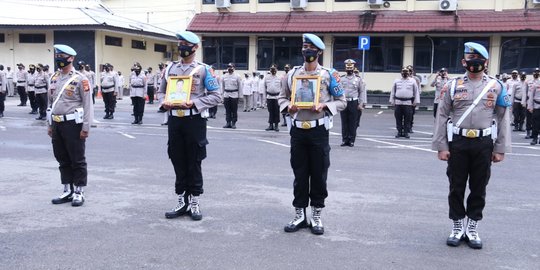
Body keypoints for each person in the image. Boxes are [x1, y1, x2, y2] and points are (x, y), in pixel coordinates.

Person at [432, 42, 511, 249]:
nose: (474, 63)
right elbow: (441, 116)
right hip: (457, 143)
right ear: (463, 62)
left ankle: (472, 226)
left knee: (479, 187)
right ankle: (457, 226)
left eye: (479, 60)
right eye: (470, 59)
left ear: (486, 62)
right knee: (456, 186)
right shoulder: (452, 85)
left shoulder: (496, 86)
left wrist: (500, 148)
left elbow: (503, 118)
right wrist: (442, 146)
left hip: (484, 143)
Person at [278, 33, 346, 235]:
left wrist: (325, 105)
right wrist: (288, 107)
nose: (306, 50)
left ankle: (316, 215)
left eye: (310, 48)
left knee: (318, 174)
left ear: (318, 52)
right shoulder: (292, 75)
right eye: (304, 46)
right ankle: (299, 214)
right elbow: (281, 98)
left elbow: (342, 101)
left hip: (318, 130)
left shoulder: (328, 75)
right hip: (298, 130)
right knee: (299, 174)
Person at [159, 31, 221, 221]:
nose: (181, 47)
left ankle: (194, 200)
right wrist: (164, 103)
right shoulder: (170, 69)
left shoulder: (203, 70)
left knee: (194, 160)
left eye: (186, 44)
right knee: (177, 158)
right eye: (180, 43)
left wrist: (194, 103)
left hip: (194, 120)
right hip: (175, 120)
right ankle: (181, 199)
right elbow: (161, 93)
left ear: (195, 48)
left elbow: (216, 96)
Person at [48, 44, 94, 207]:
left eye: (62, 56)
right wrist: (49, 124)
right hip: (57, 123)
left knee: (77, 159)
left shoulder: (81, 79)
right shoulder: (54, 77)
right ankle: (67, 189)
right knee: (61, 158)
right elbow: (51, 102)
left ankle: (79, 191)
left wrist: (86, 127)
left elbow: (88, 104)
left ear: (71, 58)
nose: (59, 58)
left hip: (73, 124)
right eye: (57, 55)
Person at [339, 59, 366, 147]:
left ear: (353, 68)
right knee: (344, 122)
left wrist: (361, 103)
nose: (349, 69)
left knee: (352, 122)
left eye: (351, 68)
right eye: (348, 67)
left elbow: (361, 91)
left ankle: (351, 140)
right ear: (345, 69)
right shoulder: (341, 78)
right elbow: (338, 91)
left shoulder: (358, 79)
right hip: (344, 102)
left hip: (354, 102)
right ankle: (344, 140)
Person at [390, 67, 420, 139]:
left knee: (408, 118)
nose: (405, 73)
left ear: (409, 73)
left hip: (408, 103)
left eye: (406, 72)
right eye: (403, 72)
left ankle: (406, 132)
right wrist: (392, 100)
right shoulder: (397, 81)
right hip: (398, 102)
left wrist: (416, 101)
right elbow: (393, 91)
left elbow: (416, 92)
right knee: (398, 118)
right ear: (401, 73)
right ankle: (399, 132)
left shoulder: (412, 81)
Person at [221, 63, 242, 129]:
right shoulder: (224, 76)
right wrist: (222, 96)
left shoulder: (237, 76)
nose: (230, 68)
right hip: (226, 94)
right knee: (227, 110)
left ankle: (233, 123)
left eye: (231, 67)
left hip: (234, 95)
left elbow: (240, 87)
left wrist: (240, 96)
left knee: (234, 110)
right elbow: (222, 87)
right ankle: (228, 123)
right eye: (229, 67)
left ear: (234, 68)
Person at [263, 64, 281, 131]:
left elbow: (282, 89)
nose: (273, 70)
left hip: (277, 97)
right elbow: (264, 88)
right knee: (270, 111)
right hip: (269, 97)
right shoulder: (267, 77)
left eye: (274, 69)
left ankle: (276, 125)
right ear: (270, 69)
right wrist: (265, 98)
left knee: (276, 111)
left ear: (277, 70)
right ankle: (270, 125)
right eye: (272, 69)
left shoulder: (279, 78)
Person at [528, 68, 540, 145]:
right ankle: (534, 138)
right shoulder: (536, 84)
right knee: (535, 123)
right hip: (536, 106)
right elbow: (531, 96)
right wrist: (530, 106)